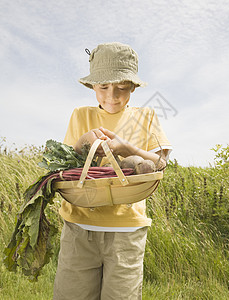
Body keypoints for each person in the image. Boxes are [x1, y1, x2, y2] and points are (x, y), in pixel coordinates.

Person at [53, 42, 172, 300]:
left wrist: (130, 149)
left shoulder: (146, 115)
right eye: (103, 87)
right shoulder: (80, 115)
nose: (112, 96)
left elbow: (160, 163)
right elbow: (65, 167)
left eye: (122, 88)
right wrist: (82, 142)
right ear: (92, 85)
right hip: (79, 225)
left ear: (133, 86)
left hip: (126, 230)